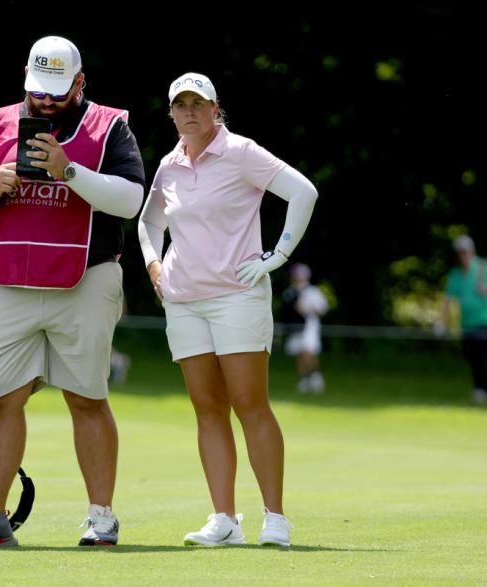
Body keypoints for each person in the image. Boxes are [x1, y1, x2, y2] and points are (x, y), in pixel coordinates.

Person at [0, 35, 145, 548]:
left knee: (87, 397)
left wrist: (68, 170)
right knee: (3, 400)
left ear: (80, 82)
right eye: (38, 90)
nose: (46, 102)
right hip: (9, 281)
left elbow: (130, 199)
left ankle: (101, 517)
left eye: (57, 91)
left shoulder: (109, 126)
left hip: (86, 277)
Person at [137, 73, 318, 548]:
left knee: (249, 403)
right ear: (172, 112)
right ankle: (224, 519)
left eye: (200, 103)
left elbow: (304, 193)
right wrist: (154, 265)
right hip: (183, 301)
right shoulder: (169, 165)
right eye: (182, 104)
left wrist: (275, 258)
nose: (190, 111)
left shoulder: (240, 151)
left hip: (237, 296)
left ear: (216, 108)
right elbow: (149, 222)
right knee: (208, 409)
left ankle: (274, 517)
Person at [436, 235, 487, 405]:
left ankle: (483, 390)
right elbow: (447, 301)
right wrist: (441, 321)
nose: (462, 256)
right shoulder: (456, 274)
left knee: (480, 353)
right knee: (470, 353)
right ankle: (481, 388)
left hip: (486, 319)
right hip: (467, 322)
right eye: (459, 253)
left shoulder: (486, 267)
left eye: (465, 252)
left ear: (472, 251)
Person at [281, 263, 329, 393]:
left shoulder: (312, 291)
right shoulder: (289, 292)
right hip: (294, 327)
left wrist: (306, 309)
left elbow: (322, 309)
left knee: (308, 351)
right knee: (299, 353)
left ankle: (315, 377)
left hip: (309, 325)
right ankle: (305, 380)